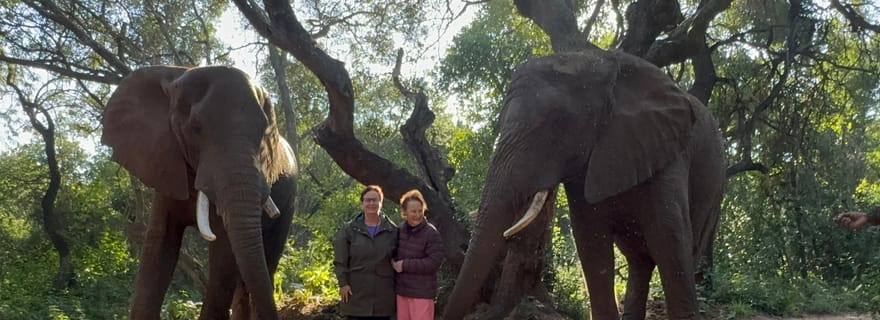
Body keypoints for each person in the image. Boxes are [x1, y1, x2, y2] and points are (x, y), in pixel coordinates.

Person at [333, 185, 398, 320]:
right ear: (362, 204)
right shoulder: (349, 230)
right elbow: (340, 261)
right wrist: (343, 283)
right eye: (367, 200)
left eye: (375, 200)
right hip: (356, 294)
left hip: (383, 297)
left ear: (381, 203)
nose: (371, 203)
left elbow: (398, 259)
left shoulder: (393, 231)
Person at [392, 189, 444, 320]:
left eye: (420, 211)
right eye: (413, 211)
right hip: (402, 292)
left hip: (422, 293)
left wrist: (405, 265)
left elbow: (434, 262)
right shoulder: (399, 230)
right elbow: (392, 253)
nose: (417, 215)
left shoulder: (431, 233)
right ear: (405, 212)